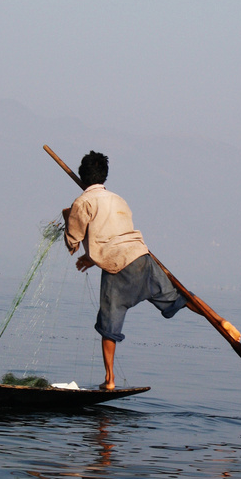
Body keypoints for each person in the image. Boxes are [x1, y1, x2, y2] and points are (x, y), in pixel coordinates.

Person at [62, 151, 189, 389]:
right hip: (142, 258)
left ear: (82, 175)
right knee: (178, 298)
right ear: (104, 176)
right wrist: (91, 259)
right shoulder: (119, 200)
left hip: (117, 268)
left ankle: (109, 380)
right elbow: (113, 236)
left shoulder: (83, 202)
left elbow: (73, 242)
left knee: (109, 325)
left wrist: (67, 216)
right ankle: (218, 320)